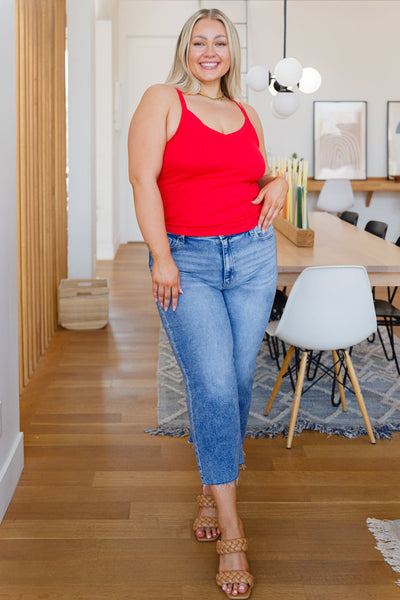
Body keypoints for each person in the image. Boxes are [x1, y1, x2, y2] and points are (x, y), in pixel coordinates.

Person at [128, 8, 288, 599]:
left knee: (240, 381)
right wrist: (161, 257)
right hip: (187, 260)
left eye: (221, 41)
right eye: (200, 41)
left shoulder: (247, 112)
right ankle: (232, 529)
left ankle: (210, 486)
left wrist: (280, 183)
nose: (211, 50)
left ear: (232, 51)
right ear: (185, 49)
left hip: (252, 257)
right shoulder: (162, 100)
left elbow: (260, 176)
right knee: (214, 385)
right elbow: (144, 181)